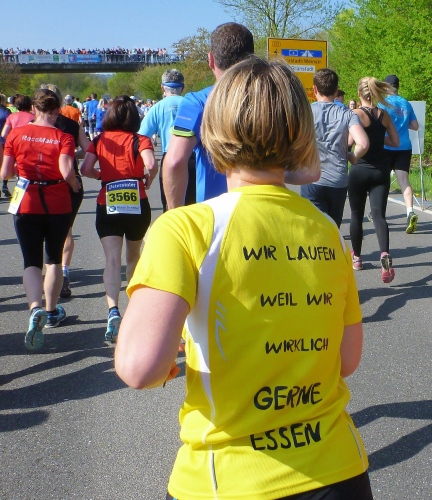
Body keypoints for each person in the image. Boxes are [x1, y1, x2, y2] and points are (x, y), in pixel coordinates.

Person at [114, 57, 372, 500]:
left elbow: (140, 368)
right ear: (299, 132)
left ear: (211, 130)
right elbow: (346, 360)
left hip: (229, 477)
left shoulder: (184, 229)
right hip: (339, 469)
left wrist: (174, 357)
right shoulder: (327, 229)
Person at [1, 89, 81, 351]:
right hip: (57, 202)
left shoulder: (16, 134)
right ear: (57, 110)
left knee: (31, 262)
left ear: (34, 109)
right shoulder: (63, 136)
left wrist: (21, 168)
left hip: (26, 202)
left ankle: (35, 307)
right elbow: (66, 170)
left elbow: (6, 172)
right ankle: (50, 311)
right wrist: (74, 184)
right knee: (53, 259)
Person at [80, 96, 157, 343]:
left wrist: (101, 176)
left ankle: (113, 309)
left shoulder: (99, 140)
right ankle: (134, 309)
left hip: (108, 202)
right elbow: (151, 164)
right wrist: (149, 178)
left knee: (112, 260)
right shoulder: (140, 140)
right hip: (137, 201)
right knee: (133, 258)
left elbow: (85, 169)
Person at [162, 22, 254, 209]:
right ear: (252, 59)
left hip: (215, 213)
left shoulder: (197, 102)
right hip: (262, 212)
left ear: (211, 59)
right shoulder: (270, 99)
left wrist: (175, 215)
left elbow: (175, 162)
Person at [302, 68, 368, 227]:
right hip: (337, 180)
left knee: (313, 230)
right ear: (336, 90)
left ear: (314, 89)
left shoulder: (306, 112)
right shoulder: (348, 114)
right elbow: (363, 143)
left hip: (312, 178)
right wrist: (353, 156)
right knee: (332, 230)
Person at [41, 83, 89, 299]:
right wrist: (71, 155)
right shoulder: (71, 125)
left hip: (41, 182)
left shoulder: (32, 125)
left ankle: (50, 272)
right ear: (60, 102)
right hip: (70, 182)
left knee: (42, 230)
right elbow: (88, 150)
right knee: (66, 230)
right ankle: (64, 272)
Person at [349, 77, 400, 282]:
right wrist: (379, 138)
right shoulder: (384, 115)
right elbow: (395, 142)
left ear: (359, 94)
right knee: (379, 216)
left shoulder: (355, 114)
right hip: (380, 171)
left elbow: (349, 141)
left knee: (356, 216)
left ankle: (357, 258)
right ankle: (384, 254)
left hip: (359, 170)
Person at [138, 68, 196, 211]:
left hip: (169, 158)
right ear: (183, 87)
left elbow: (141, 137)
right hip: (193, 158)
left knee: (171, 209)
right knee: (194, 207)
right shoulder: (193, 105)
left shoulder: (156, 108)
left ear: (162, 87)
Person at [380, 74, 419, 233]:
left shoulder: (383, 104)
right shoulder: (406, 103)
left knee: (383, 180)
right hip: (404, 146)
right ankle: (410, 212)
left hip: (388, 146)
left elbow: (379, 124)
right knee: (404, 181)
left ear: (386, 87)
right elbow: (415, 126)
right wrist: (402, 125)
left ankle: (379, 212)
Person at [0, 94, 11, 197]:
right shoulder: (6, 111)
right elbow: (10, 126)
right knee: (4, 164)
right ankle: (4, 185)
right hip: (4, 141)